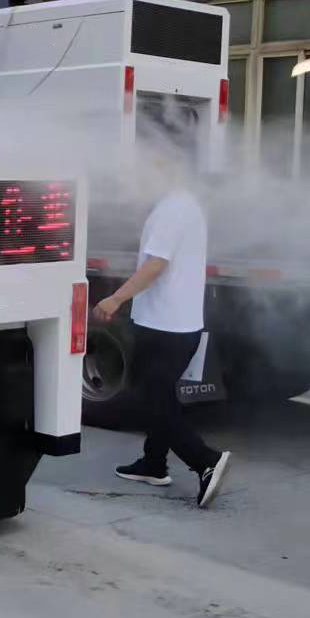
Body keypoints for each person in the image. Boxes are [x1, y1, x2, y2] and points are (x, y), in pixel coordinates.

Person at [94, 181, 231, 509]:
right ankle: (153, 464)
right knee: (160, 396)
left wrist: (115, 298)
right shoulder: (184, 204)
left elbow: (156, 265)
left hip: (166, 327)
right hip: (171, 324)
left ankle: (205, 461)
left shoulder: (173, 209)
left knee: (152, 401)